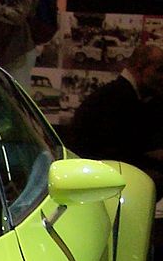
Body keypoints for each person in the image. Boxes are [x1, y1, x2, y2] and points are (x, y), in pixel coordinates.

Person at [69, 42, 163, 193]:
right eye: (159, 70)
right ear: (139, 67)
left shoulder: (116, 95)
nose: (161, 77)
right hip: (99, 177)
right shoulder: (117, 99)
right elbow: (119, 151)